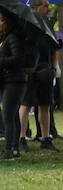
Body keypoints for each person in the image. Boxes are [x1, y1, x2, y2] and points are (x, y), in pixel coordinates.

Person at [20, 0, 58, 151]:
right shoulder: (24, 24)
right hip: (29, 70)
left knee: (44, 105)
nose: (48, 9)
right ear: (35, 7)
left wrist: (53, 68)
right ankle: (21, 137)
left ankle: (45, 137)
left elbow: (54, 47)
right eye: (45, 6)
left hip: (45, 69)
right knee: (25, 104)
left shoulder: (48, 25)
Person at [0, 12, 33, 159]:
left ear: (8, 22)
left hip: (14, 80)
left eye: (1, 20)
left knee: (8, 115)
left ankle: (9, 149)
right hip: (8, 80)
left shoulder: (13, 37)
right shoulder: (5, 38)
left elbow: (17, 59)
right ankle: (14, 148)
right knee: (12, 115)